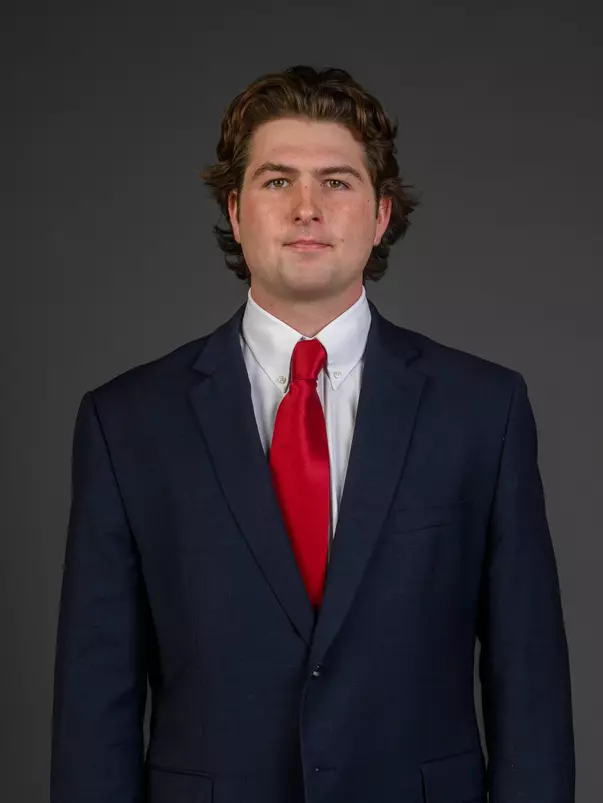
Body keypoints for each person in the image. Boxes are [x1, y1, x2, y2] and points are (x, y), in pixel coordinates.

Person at [50, 65, 575, 803]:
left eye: (336, 181)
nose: (306, 208)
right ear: (235, 211)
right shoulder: (127, 422)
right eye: (277, 181)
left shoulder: (484, 409)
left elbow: (530, 684)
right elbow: (93, 700)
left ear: (381, 214)